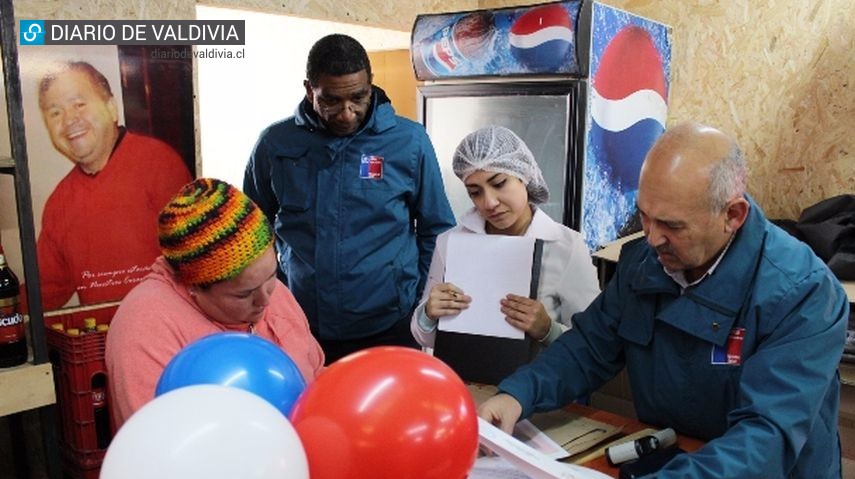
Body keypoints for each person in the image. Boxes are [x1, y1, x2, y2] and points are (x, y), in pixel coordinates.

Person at [478, 122, 849, 479]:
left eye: (671, 225)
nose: (651, 239)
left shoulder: (802, 293)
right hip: (669, 478)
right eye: (644, 216)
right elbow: (590, 346)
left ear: (732, 215)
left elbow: (767, 436)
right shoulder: (644, 264)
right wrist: (516, 395)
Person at [244, 34, 455, 364]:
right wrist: (276, 292)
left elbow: (437, 229)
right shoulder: (276, 144)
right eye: (330, 101)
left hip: (391, 325)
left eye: (358, 97)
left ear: (371, 85)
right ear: (308, 89)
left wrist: (418, 300)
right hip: (302, 324)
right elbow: (253, 230)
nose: (346, 113)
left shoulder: (408, 141)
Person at [105, 178, 325, 428]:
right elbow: (157, 440)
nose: (266, 299)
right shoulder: (145, 325)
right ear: (194, 287)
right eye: (244, 294)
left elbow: (317, 379)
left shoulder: (276, 295)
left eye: (272, 275)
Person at [411, 125, 599, 348]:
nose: (489, 203)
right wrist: (428, 314)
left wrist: (548, 330)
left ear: (524, 175)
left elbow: (593, 344)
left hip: (539, 379)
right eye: (475, 192)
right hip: (466, 378)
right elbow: (427, 339)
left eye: (499, 184)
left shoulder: (566, 246)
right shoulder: (450, 243)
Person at [36, 60, 193, 309]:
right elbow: (44, 290)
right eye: (55, 113)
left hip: (168, 333)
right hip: (97, 343)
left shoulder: (158, 163)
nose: (69, 121)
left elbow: (197, 261)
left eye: (79, 104)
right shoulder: (59, 203)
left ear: (111, 108)